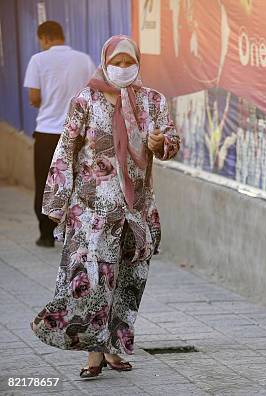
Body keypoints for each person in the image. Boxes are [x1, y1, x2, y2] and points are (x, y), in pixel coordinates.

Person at [30, 35, 180, 379]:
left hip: (137, 210)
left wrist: (162, 143)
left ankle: (115, 347)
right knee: (94, 280)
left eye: (130, 62)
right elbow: (65, 149)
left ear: (138, 64)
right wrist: (56, 201)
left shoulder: (153, 102)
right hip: (92, 211)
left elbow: (170, 142)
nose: (123, 68)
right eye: (118, 62)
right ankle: (93, 353)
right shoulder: (85, 100)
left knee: (129, 281)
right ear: (105, 61)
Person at [23, 21, 96, 248]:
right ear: (61, 36)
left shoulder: (38, 60)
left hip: (47, 133)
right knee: (78, 182)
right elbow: (94, 93)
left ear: (44, 38)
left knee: (46, 183)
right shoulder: (83, 59)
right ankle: (76, 233)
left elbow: (34, 97)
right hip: (78, 133)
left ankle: (46, 234)